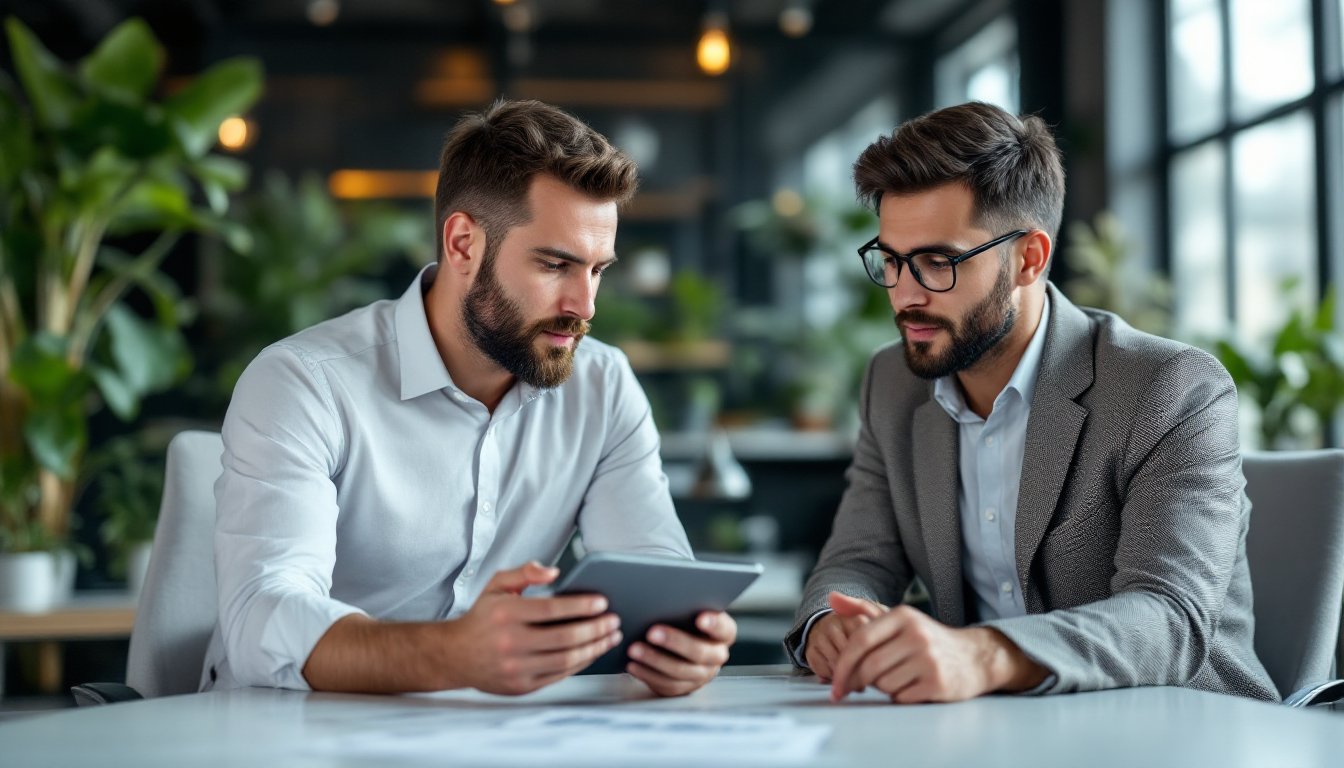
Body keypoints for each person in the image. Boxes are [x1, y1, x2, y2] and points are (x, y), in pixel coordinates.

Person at [201, 99, 736, 697]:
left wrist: (683, 642)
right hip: (286, 735)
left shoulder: (603, 387)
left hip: (490, 737)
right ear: (462, 244)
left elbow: (656, 578)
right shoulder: (303, 383)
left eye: (597, 270)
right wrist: (454, 655)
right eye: (556, 264)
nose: (584, 307)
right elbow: (263, 621)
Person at [785, 101, 1276, 704]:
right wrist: (833, 623)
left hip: (1183, 729)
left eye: (938, 261)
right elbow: (858, 558)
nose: (905, 295)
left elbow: (1169, 618)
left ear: (1029, 258)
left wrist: (987, 654)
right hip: (992, 733)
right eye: (891, 260)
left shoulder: (1169, 388)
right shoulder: (893, 382)